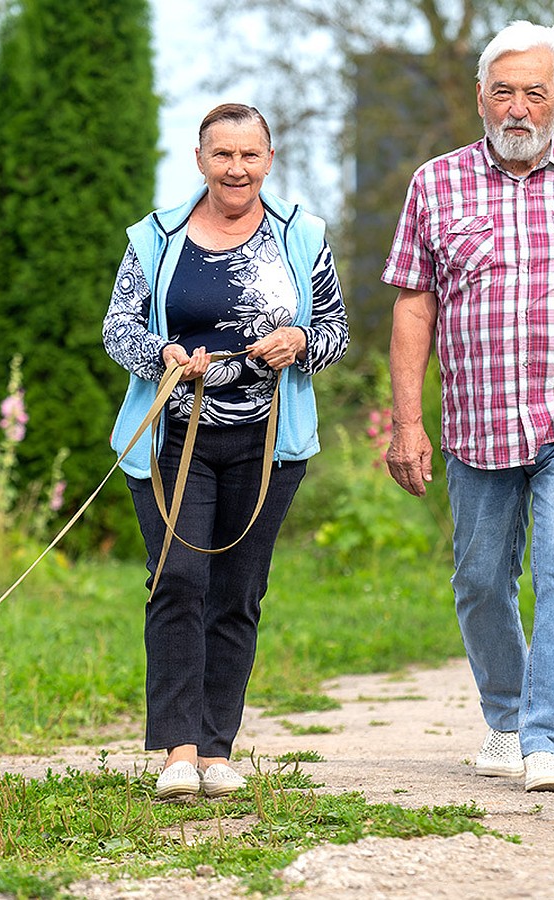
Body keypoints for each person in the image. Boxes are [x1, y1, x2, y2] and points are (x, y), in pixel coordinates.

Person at [381, 21, 554, 792]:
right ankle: (506, 717)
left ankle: (549, 740)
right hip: (475, 425)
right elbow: (413, 308)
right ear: (480, 96)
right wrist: (408, 422)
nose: (516, 107)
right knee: (478, 581)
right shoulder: (434, 184)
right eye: (502, 90)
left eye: (533, 92)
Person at [104, 103, 349, 800]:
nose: (236, 169)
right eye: (222, 156)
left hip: (270, 444)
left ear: (268, 159)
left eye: (249, 155)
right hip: (171, 439)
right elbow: (117, 328)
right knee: (178, 580)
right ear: (200, 159)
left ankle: (217, 749)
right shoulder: (156, 238)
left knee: (238, 592)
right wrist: (163, 354)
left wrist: (300, 342)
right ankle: (178, 750)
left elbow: (333, 329)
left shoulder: (303, 236)